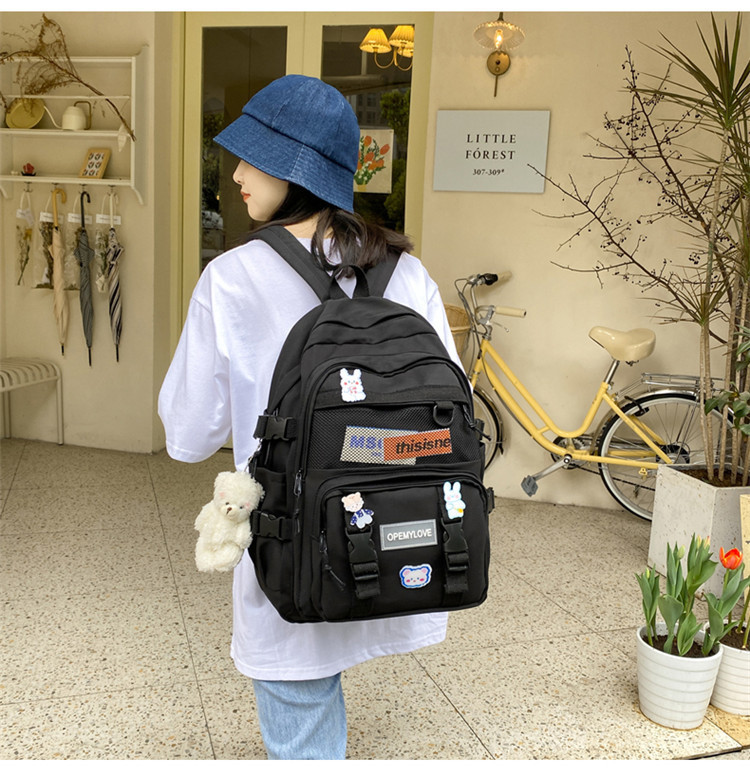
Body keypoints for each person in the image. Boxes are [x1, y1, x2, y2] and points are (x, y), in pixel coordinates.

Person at [158, 74, 462, 760]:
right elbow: (450, 407)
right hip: (398, 534)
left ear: (293, 169)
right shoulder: (408, 272)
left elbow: (188, 435)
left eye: (252, 158)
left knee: (301, 706)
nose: (237, 174)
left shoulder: (231, 277)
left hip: (292, 544)